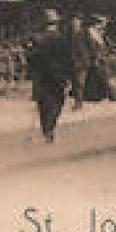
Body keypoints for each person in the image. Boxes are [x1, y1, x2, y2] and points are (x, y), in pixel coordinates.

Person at [27, 9, 73, 142]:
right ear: (56, 24)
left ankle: (46, 129)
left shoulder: (36, 38)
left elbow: (31, 58)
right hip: (58, 75)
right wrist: (69, 75)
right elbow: (67, 58)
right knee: (58, 102)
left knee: (43, 104)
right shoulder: (61, 38)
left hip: (41, 76)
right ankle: (50, 127)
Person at [67, 13, 90, 110]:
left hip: (82, 61)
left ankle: (78, 103)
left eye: (77, 21)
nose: (75, 23)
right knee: (75, 83)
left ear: (80, 22)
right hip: (72, 61)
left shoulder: (84, 33)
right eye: (73, 21)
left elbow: (90, 45)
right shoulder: (69, 33)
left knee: (79, 83)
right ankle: (77, 101)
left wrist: (89, 57)